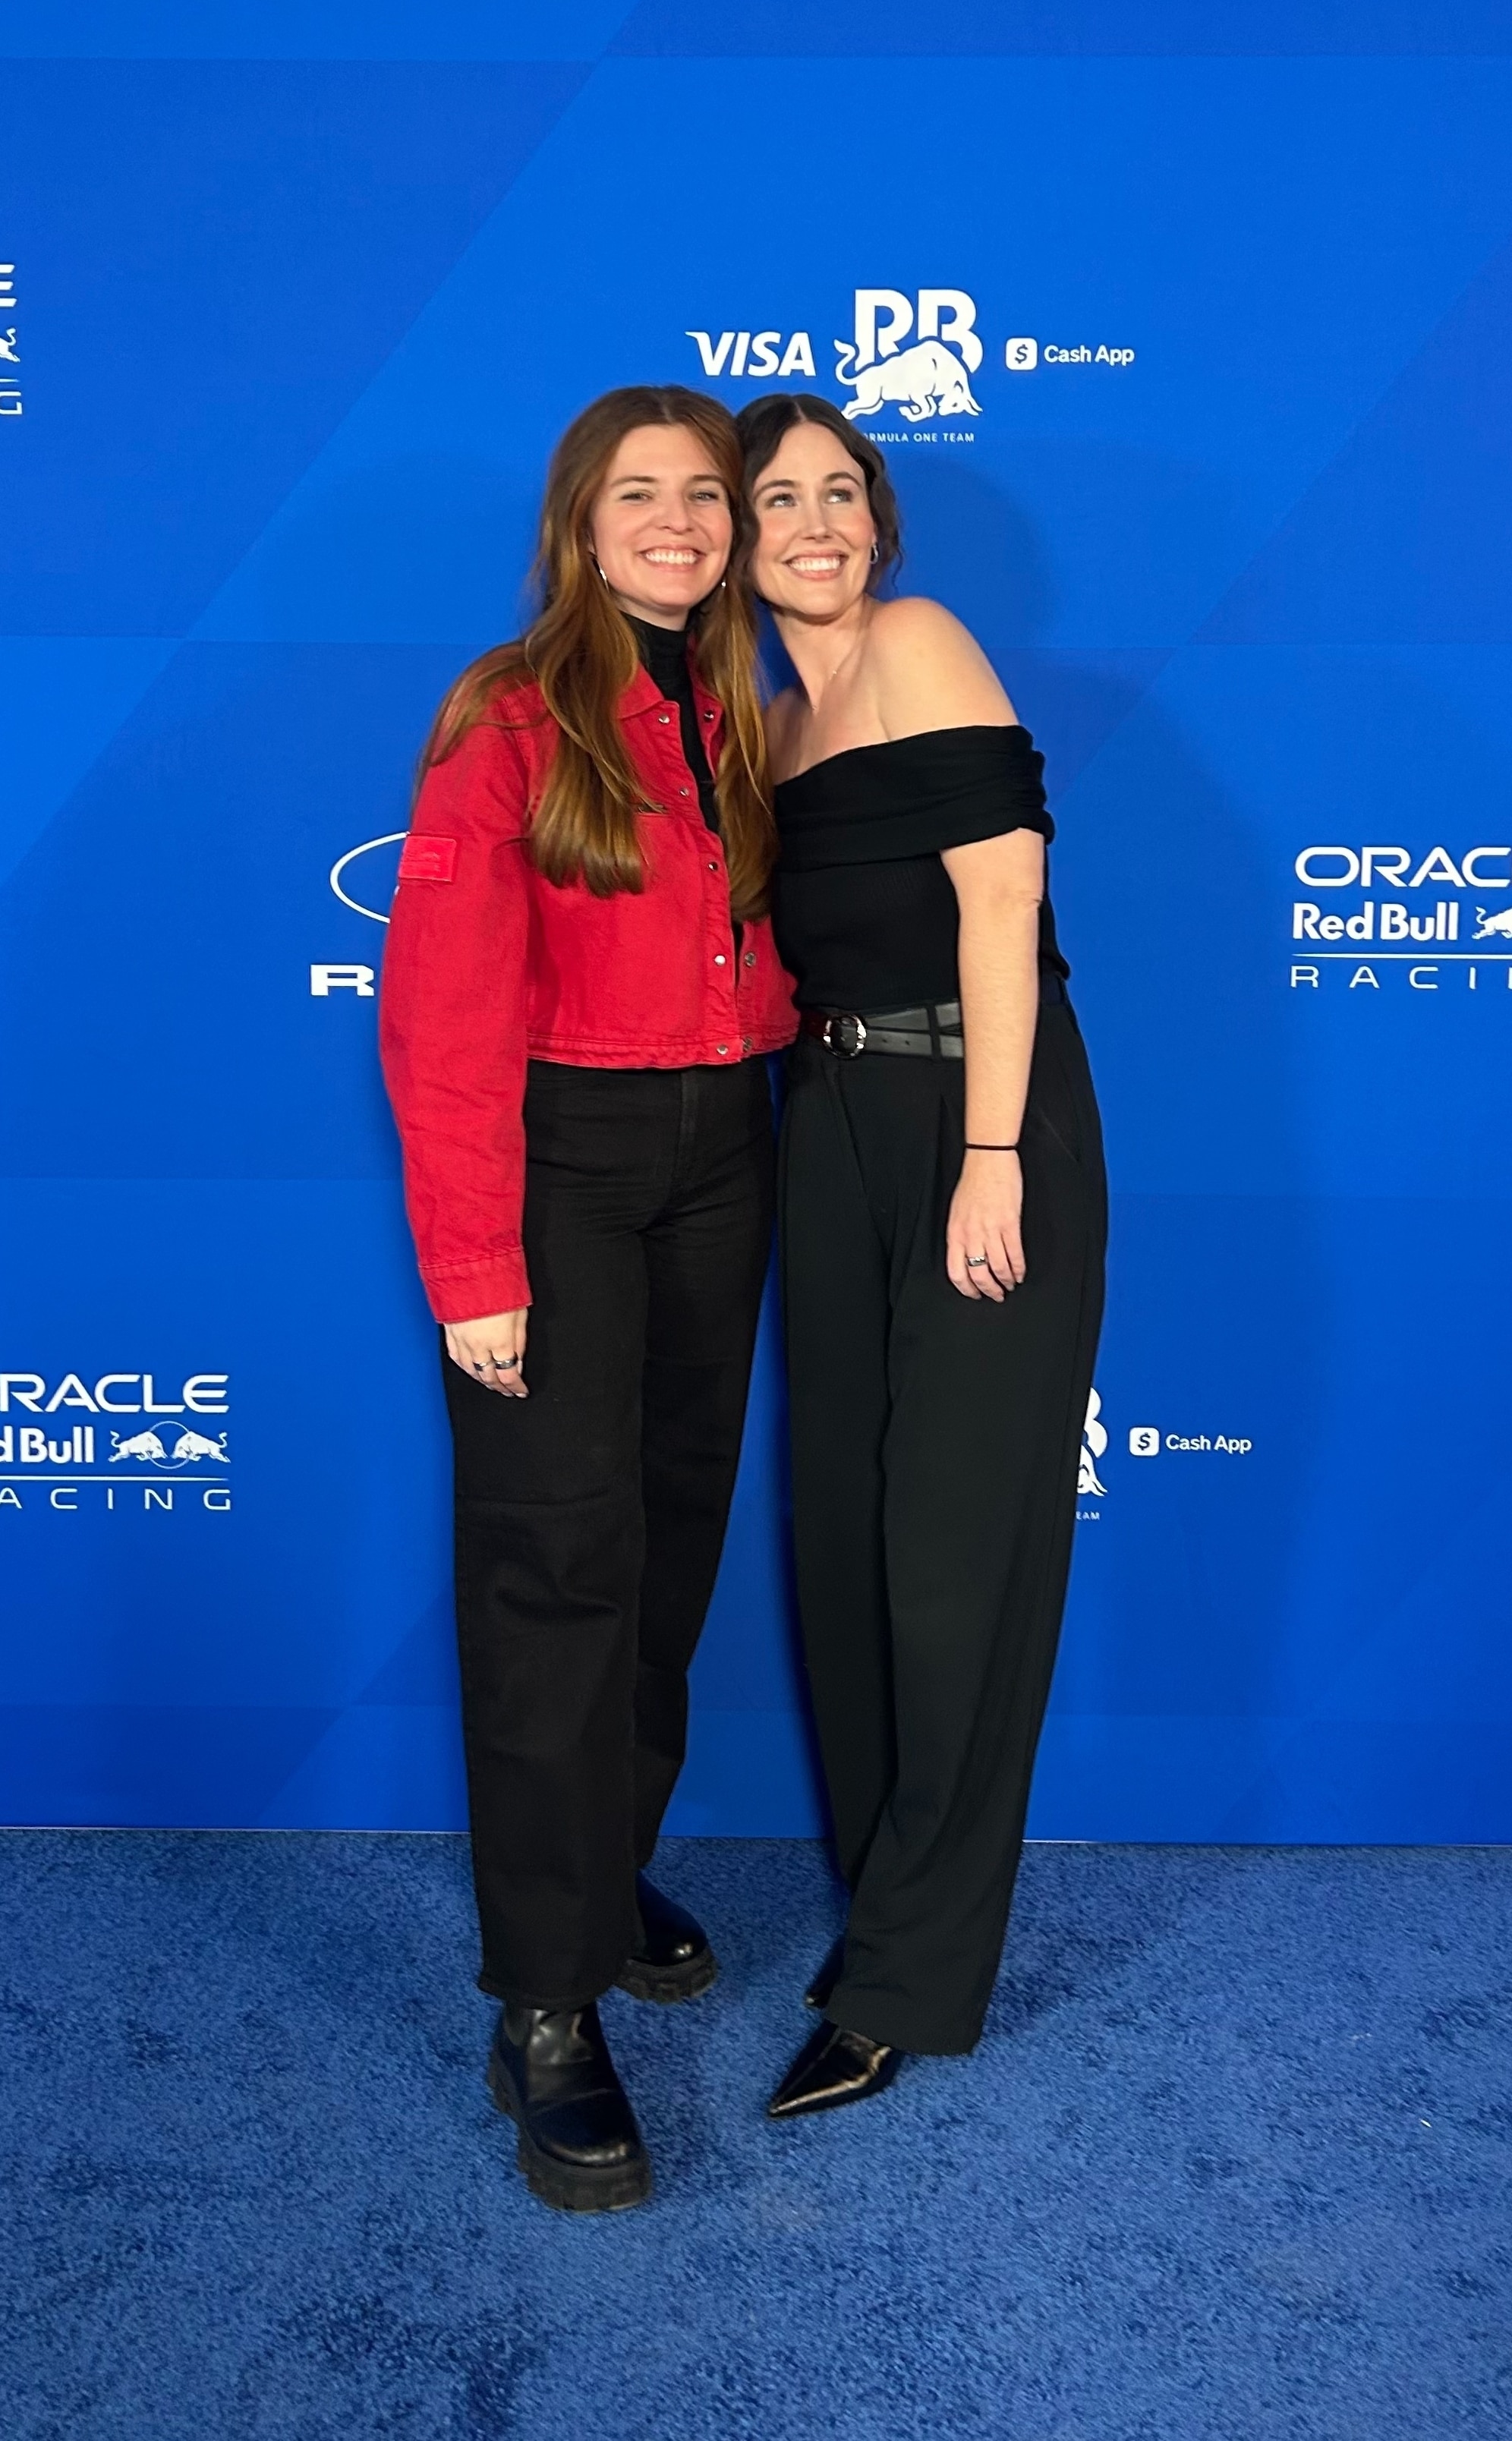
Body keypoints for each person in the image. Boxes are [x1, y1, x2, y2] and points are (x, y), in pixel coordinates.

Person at [380, 386, 795, 2212]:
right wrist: (479, 1271)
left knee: (670, 1536)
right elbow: (443, 1016)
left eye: (704, 496)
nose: (681, 523)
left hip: (730, 1154)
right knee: (556, 1564)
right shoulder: (511, 711)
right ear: (580, 519)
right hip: (561, 1165)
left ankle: (599, 1855)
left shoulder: (740, 709)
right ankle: (544, 2006)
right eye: (642, 495)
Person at [736, 394, 1107, 2118]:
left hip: (983, 1116)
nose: (815, 521)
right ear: (730, 543)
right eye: (776, 499)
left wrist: (988, 1157)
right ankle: (891, 1901)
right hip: (832, 1131)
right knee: (851, 1546)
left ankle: (912, 1980)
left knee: (957, 1557)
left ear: (877, 523)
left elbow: (1002, 905)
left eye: (840, 492)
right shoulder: (770, 730)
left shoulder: (919, 639)